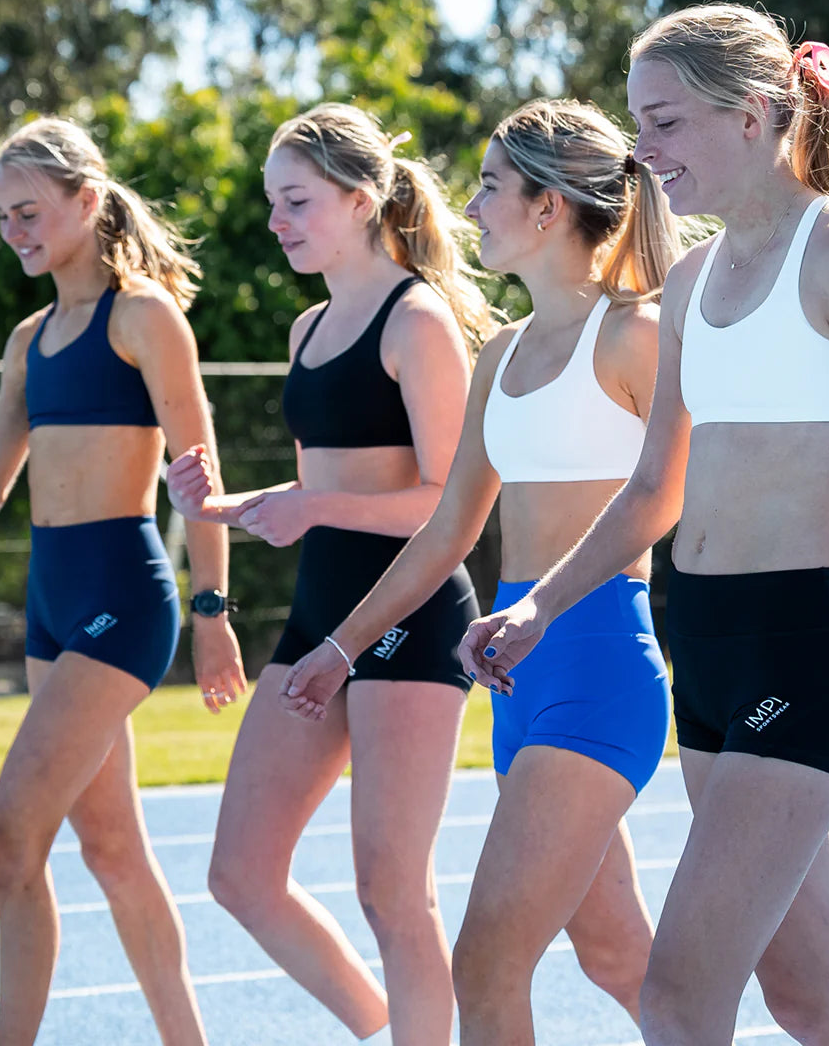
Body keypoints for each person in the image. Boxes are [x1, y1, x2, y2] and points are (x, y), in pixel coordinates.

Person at [461, 5, 829, 1046]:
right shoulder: (692, 280)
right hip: (701, 651)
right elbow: (652, 491)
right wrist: (540, 609)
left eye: (664, 123)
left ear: (751, 116)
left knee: (678, 998)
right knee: (811, 1001)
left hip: (803, 652)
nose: (642, 151)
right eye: (636, 124)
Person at [277, 99, 682, 1044]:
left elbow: (664, 500)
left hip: (597, 668)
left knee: (487, 965)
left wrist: (541, 608)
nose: (470, 205)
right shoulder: (499, 354)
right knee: (617, 956)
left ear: (548, 206)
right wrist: (342, 647)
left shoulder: (637, 336)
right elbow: (445, 532)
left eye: (491, 185)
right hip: (513, 675)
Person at [164, 102, 489, 1045]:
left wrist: (311, 507)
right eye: (273, 201)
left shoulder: (417, 320)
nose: (277, 220)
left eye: (296, 200)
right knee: (240, 874)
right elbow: (320, 491)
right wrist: (221, 506)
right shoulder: (307, 327)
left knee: (392, 890)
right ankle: (386, 1025)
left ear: (360, 198)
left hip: (412, 616)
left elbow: (447, 505)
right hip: (320, 612)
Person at [0, 117, 246, 1046]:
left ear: (87, 199)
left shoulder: (143, 317)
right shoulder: (28, 340)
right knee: (111, 850)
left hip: (123, 600)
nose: (14, 231)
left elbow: (200, 473)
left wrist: (213, 613)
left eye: (29, 212)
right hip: (52, 605)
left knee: (5, 842)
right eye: (2, 216)